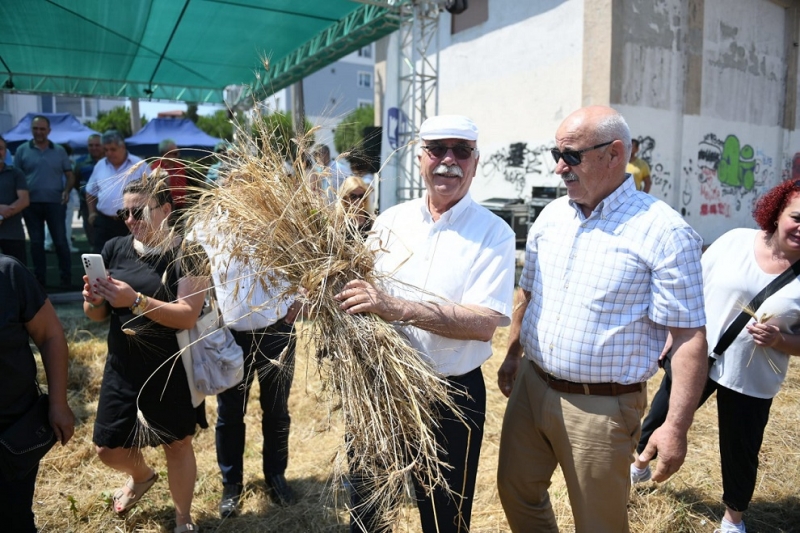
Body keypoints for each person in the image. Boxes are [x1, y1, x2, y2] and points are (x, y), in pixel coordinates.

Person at [496, 106, 708, 533]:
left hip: (601, 406)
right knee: (516, 492)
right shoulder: (553, 217)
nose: (559, 166)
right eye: (556, 153)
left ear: (614, 154)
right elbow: (529, 291)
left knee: (599, 525)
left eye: (571, 155)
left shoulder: (665, 232)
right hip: (532, 386)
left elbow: (688, 337)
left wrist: (675, 427)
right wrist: (513, 353)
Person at [335, 115, 516, 532]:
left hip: (451, 396)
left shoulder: (495, 234)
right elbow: (362, 296)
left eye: (461, 151)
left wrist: (394, 306)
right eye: (437, 150)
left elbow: (483, 323)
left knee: (444, 519)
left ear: (475, 160)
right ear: (421, 158)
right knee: (368, 511)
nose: (448, 161)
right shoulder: (390, 221)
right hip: (381, 386)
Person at [631, 179, 800, 533]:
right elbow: (691, 290)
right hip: (698, 357)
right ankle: (637, 471)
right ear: (777, 212)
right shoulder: (735, 241)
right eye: (796, 217)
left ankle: (732, 520)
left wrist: (780, 340)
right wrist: (670, 335)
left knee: (741, 448)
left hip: (752, 375)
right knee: (659, 418)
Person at [82, 177, 208, 533]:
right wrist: (92, 301)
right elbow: (98, 316)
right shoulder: (113, 248)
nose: (130, 219)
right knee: (107, 449)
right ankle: (142, 476)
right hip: (122, 367)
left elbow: (186, 314)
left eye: (138, 211)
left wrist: (135, 300)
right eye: (124, 212)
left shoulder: (191, 253)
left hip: (170, 368)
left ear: (166, 210)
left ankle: (183, 519)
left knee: (177, 445)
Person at [192, 217, 303, 517]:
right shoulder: (208, 225)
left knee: (277, 410)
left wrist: (293, 311)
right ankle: (232, 485)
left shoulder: (278, 214)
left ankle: (276, 477)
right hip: (230, 337)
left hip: (277, 332)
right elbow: (192, 264)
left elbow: (305, 261)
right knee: (229, 413)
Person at [0, 253, 75, 532]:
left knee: (12, 517)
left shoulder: (9, 273)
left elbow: (50, 335)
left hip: (10, 431)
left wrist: (58, 402)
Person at [13, 115, 76, 288]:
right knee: (36, 243)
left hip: (55, 203)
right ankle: (40, 281)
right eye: (36, 128)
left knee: (61, 242)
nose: (39, 132)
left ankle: (66, 279)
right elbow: (16, 177)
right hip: (30, 204)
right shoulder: (21, 150)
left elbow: (70, 176)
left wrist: (67, 190)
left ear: (49, 131)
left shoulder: (59, 151)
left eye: (42, 129)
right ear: (31, 130)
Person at [85, 130, 147, 254]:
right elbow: (90, 191)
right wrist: (92, 213)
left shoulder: (140, 165)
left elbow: (152, 192)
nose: (109, 153)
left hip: (132, 222)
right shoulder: (100, 165)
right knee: (101, 257)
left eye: (112, 149)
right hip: (104, 222)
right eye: (106, 150)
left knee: (131, 257)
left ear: (122, 147)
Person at [0, 135, 31, 264]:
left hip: (13, 234)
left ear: (5, 151)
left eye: (0, 148)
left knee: (16, 274)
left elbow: (24, 200)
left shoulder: (16, 173)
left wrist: (1, 216)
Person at [73, 133, 104, 247]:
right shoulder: (80, 163)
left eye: (97, 145)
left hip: (107, 204)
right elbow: (75, 182)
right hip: (87, 205)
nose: (94, 148)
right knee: (92, 235)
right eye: (91, 145)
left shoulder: (110, 161)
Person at [151, 139, 187, 213]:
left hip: (181, 207)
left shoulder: (181, 166)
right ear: (165, 154)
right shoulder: (156, 168)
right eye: (175, 153)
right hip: (165, 207)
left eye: (178, 153)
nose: (178, 155)